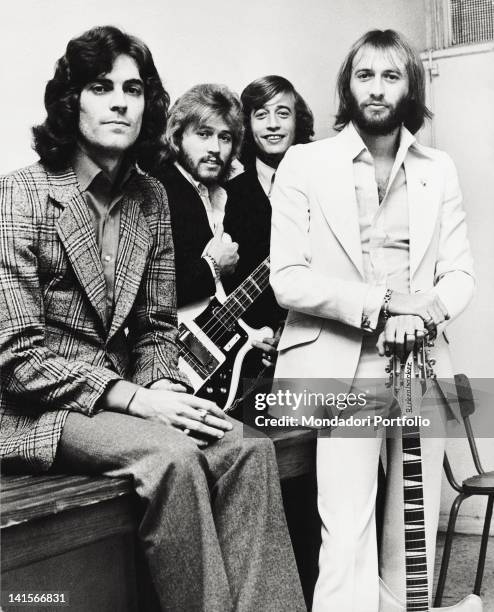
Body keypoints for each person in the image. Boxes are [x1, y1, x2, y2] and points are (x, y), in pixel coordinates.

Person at [0, 25, 306, 612]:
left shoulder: (152, 197)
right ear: (72, 101)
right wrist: (140, 401)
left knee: (246, 446)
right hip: (43, 408)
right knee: (174, 457)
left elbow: (157, 327)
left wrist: (161, 382)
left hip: (132, 397)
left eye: (134, 89)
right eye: (101, 86)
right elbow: (15, 357)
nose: (119, 100)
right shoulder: (20, 195)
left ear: (149, 105)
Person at [270, 29, 474, 612]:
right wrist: (387, 306)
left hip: (421, 364)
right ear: (348, 85)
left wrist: (423, 313)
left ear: (410, 85)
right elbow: (288, 278)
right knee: (345, 526)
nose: (377, 88)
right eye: (365, 75)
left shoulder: (439, 169)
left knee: (412, 532)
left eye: (391, 75)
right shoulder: (305, 163)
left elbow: (459, 275)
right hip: (343, 364)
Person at [223, 75, 314, 341]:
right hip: (248, 350)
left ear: (298, 121)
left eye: (283, 113)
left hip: (310, 338)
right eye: (261, 115)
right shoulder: (227, 195)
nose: (273, 124)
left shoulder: (323, 187)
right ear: (247, 126)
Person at [151, 84, 242, 310]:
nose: (215, 148)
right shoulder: (156, 190)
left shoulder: (223, 195)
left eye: (225, 137)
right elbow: (144, 293)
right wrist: (213, 266)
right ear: (177, 136)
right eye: (204, 134)